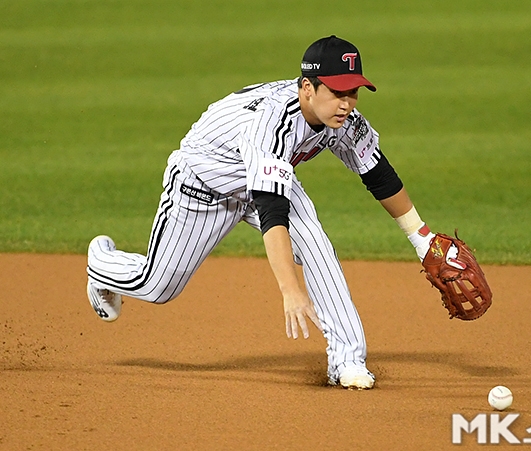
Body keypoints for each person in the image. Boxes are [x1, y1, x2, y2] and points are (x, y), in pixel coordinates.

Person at [86, 35, 437, 390]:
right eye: (336, 92)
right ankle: (102, 263)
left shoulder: (343, 119)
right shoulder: (272, 123)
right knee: (158, 285)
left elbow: (378, 174)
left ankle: (347, 360)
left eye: (353, 92)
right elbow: (273, 212)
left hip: (264, 181)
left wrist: (421, 238)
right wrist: (290, 289)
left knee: (314, 242)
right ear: (307, 88)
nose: (345, 104)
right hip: (204, 184)